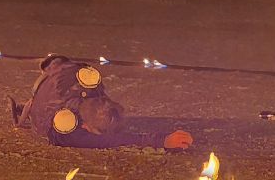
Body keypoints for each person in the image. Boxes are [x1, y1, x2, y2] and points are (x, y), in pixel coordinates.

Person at [11, 55, 194, 150]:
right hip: (43, 107)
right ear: (86, 128)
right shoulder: (66, 130)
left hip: (48, 82)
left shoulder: (89, 85)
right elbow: (110, 140)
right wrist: (162, 141)